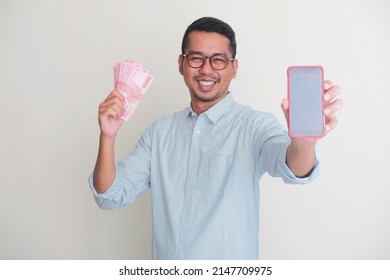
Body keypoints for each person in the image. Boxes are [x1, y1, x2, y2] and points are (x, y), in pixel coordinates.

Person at [88, 17, 342, 259]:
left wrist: (304, 142)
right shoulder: (160, 132)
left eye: (218, 60)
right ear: (181, 64)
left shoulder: (253, 125)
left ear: (234, 67)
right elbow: (109, 195)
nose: (206, 69)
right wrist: (107, 136)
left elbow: (294, 167)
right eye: (197, 58)